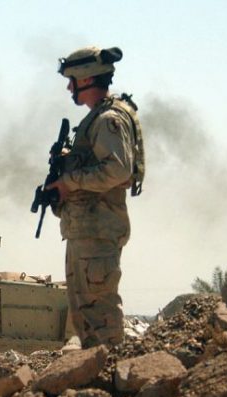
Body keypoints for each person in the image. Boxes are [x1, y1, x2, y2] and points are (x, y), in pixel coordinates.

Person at [45, 46, 145, 348]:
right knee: (85, 317)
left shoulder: (107, 119)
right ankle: (98, 382)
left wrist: (69, 181)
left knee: (99, 315)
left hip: (97, 232)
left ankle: (110, 380)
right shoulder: (98, 119)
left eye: (71, 80)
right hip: (86, 231)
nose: (68, 87)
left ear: (86, 79)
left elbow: (118, 170)